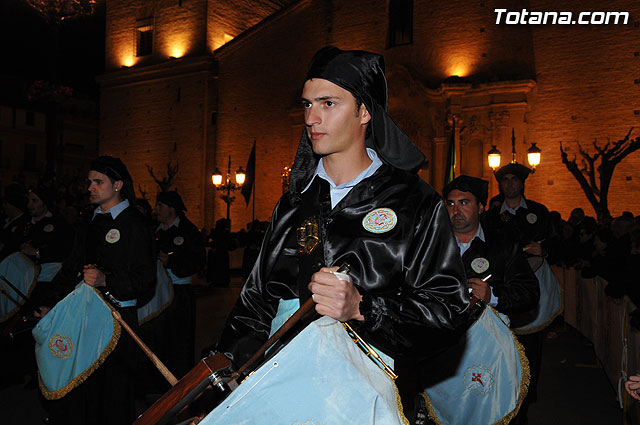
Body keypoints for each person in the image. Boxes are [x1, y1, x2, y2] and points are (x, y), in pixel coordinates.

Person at [214, 46, 470, 387]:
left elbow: (446, 312)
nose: (310, 118)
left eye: (328, 103)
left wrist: (362, 307)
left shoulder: (414, 202)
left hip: (367, 389)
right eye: (307, 104)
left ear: (364, 111)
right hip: (283, 383)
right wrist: (230, 364)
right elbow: (257, 301)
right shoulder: (293, 203)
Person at [41, 156, 156, 425]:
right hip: (84, 318)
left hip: (118, 324)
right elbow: (70, 269)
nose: (90, 187)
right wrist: (48, 303)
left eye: (98, 182)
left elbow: (146, 280)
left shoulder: (136, 225)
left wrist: (107, 280)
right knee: (83, 393)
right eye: (89, 182)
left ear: (117, 185)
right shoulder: (89, 224)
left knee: (114, 396)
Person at [484, 162, 561, 425]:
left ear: (522, 183)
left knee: (531, 348)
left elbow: (559, 242)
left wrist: (544, 248)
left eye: (514, 180)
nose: (509, 185)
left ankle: (526, 397)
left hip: (532, 284)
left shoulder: (538, 212)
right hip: (501, 288)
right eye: (504, 180)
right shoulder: (492, 212)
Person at [443, 175, 539, 325]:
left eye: (463, 203)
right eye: (450, 203)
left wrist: (492, 295)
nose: (456, 210)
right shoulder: (433, 244)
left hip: (488, 337)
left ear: (480, 207)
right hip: (441, 334)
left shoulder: (502, 244)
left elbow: (529, 292)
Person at [154, 190, 205, 379]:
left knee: (179, 338)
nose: (156, 209)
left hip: (179, 292)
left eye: (160, 206)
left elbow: (198, 261)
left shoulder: (188, 231)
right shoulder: (155, 230)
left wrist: (172, 262)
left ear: (172, 209)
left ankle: (179, 378)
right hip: (157, 293)